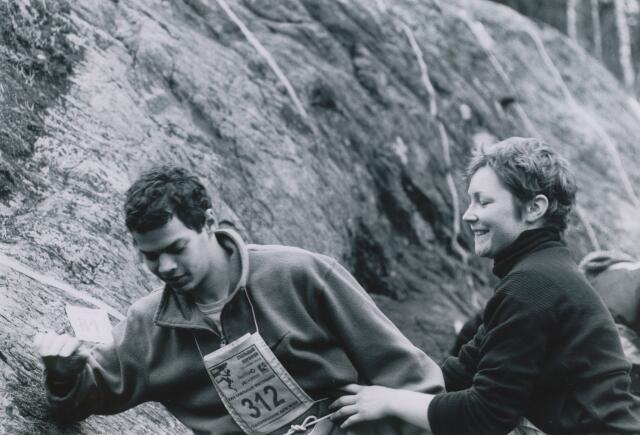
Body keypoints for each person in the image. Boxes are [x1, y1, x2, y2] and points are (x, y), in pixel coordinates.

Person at [34, 166, 444, 435]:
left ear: (209, 223)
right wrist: (63, 376)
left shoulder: (301, 274)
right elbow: (84, 397)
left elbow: (411, 379)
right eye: (151, 256)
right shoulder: (147, 325)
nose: (165, 266)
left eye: (176, 248)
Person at [330, 137, 640, 434]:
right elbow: (461, 371)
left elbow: (486, 416)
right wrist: (381, 385)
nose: (468, 215)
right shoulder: (541, 273)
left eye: (484, 201)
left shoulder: (534, 284)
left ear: (535, 208)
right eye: (470, 201)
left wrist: (390, 401)